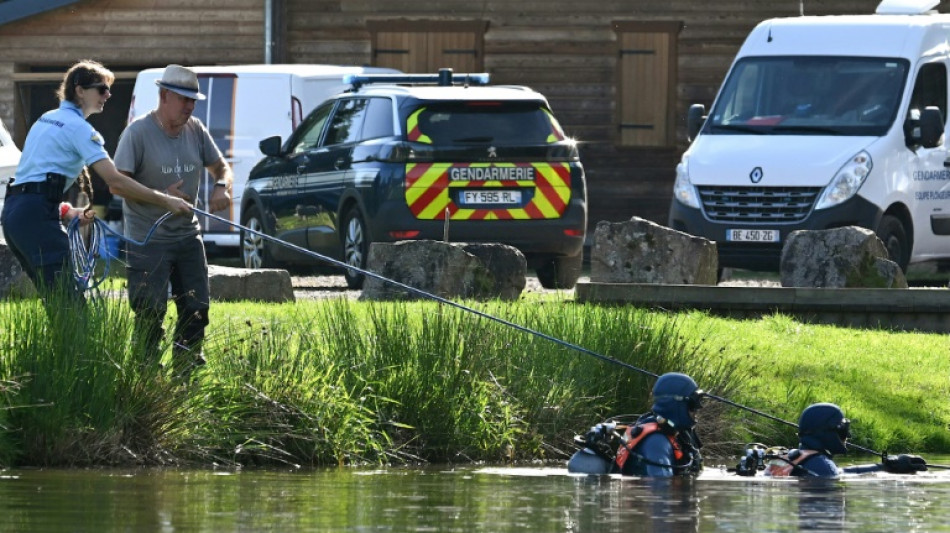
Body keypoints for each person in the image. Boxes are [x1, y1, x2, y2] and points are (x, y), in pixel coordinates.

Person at [0, 60, 191, 303]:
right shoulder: (81, 129)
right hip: (34, 214)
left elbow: (34, 179)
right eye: (102, 89)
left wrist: (64, 210)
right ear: (79, 90)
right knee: (72, 307)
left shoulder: (47, 119)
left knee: (57, 302)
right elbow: (115, 182)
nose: (108, 95)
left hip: (14, 214)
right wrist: (165, 200)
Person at [113, 64, 233, 377]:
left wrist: (222, 186)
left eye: (194, 100)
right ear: (164, 96)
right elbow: (117, 184)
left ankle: (186, 373)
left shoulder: (195, 129)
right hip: (147, 239)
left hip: (187, 237)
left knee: (196, 309)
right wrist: (162, 198)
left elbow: (222, 168)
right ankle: (145, 377)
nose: (190, 106)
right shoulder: (137, 133)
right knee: (150, 312)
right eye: (184, 99)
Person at [567, 372, 704, 477]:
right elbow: (662, 490)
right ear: (676, 405)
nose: (697, 410)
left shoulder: (678, 433)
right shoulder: (657, 442)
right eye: (693, 405)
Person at [749, 402, 927, 477]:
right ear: (827, 433)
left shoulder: (797, 456)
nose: (847, 437)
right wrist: (884, 469)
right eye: (843, 431)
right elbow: (837, 475)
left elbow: (839, 472)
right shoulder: (819, 463)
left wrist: (885, 465)